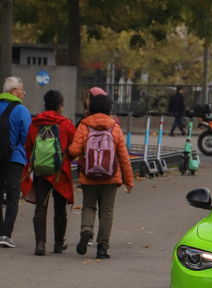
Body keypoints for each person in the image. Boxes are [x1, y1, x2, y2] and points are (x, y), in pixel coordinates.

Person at [68, 95, 134, 259]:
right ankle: (102, 248)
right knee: (106, 211)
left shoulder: (84, 126)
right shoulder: (115, 127)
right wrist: (129, 180)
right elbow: (124, 157)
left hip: (89, 176)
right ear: (108, 108)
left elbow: (74, 151)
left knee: (89, 206)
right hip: (110, 177)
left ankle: (86, 231)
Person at [20, 90, 76, 256]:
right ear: (60, 106)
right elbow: (73, 148)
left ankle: (40, 244)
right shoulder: (66, 124)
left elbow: (28, 146)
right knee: (60, 209)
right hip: (60, 173)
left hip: (40, 172)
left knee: (40, 207)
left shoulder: (36, 123)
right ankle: (58, 243)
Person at [0, 77, 32, 248]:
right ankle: (5, 235)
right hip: (15, 159)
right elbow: (28, 137)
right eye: (21, 88)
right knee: (13, 197)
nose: (24, 92)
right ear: (13, 91)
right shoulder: (21, 111)